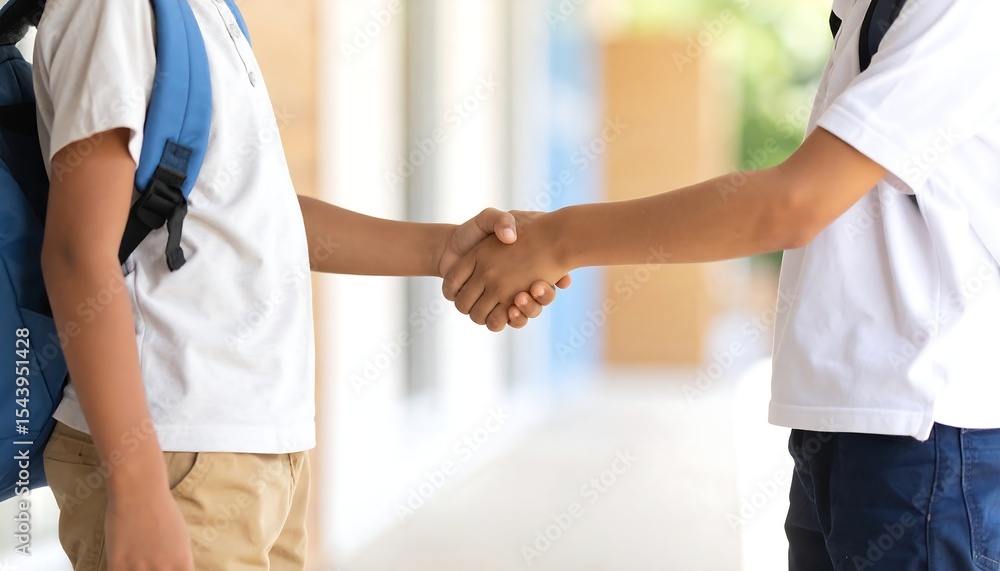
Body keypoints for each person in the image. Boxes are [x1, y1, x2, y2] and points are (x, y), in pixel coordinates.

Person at [443, 0, 1000, 568]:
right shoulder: (867, 9)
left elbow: (792, 204)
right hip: (850, 425)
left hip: (927, 438)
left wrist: (558, 240)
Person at [35, 1, 564, 569]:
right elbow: (75, 254)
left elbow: (257, 217)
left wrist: (444, 251)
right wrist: (138, 492)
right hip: (176, 448)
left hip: (252, 446)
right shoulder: (116, 9)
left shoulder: (204, 12)